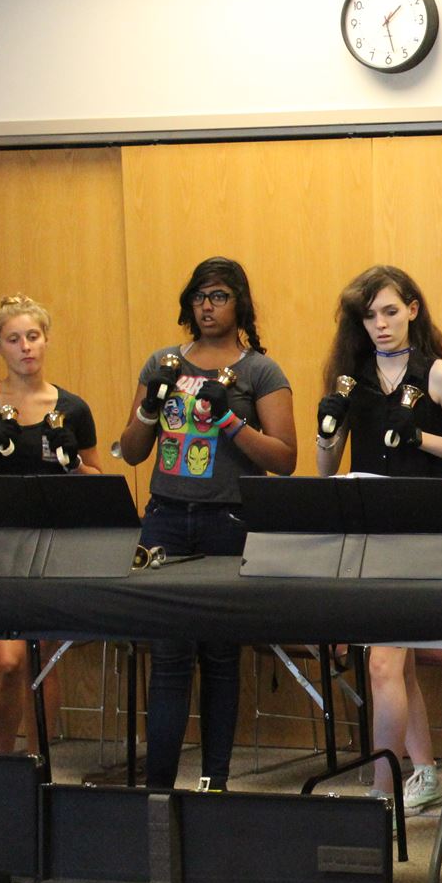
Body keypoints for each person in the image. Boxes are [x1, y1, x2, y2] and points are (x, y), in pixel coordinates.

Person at [118, 257, 296, 791]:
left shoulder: (260, 371)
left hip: (229, 522)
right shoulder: (163, 362)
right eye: (199, 296)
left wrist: (229, 420)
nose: (207, 306)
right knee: (169, 656)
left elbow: (284, 458)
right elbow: (132, 451)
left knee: (220, 656)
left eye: (218, 296)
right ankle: (159, 789)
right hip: (166, 519)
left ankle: (214, 783)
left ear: (239, 303)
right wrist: (150, 406)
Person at [316, 265, 442, 813]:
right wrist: (326, 429)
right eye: (369, 316)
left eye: (390, 311)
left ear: (412, 309)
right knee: (400, 664)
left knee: (383, 664)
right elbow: (324, 470)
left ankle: (379, 794)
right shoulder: (352, 379)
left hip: (424, 533)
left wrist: (421, 438)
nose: (381, 324)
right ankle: (424, 771)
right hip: (372, 531)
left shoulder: (436, 374)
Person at [0, 294, 102, 753]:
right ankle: (3, 760)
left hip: (54, 544)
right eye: (14, 339)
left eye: (33, 336)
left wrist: (73, 463)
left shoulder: (72, 408)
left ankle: (37, 765)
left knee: (40, 657)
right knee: (9, 660)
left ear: (46, 340)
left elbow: (98, 481)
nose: (25, 346)